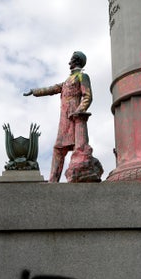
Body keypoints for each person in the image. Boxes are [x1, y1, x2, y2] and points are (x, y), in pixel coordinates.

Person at [24, 51, 92, 182]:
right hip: (64, 120)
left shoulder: (82, 76)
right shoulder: (67, 81)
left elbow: (87, 96)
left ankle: (78, 174)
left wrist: (79, 111)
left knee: (79, 148)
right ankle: (53, 181)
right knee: (58, 149)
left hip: (75, 118)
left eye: (71, 60)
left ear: (76, 61)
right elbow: (52, 89)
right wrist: (34, 92)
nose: (69, 63)